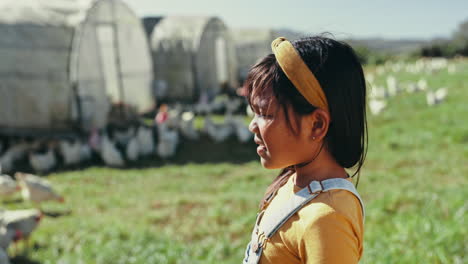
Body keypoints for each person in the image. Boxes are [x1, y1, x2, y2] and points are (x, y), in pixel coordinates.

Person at [242, 35, 367, 264]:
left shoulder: (327, 218)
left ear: (317, 125)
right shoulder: (293, 181)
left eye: (265, 114)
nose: (252, 126)